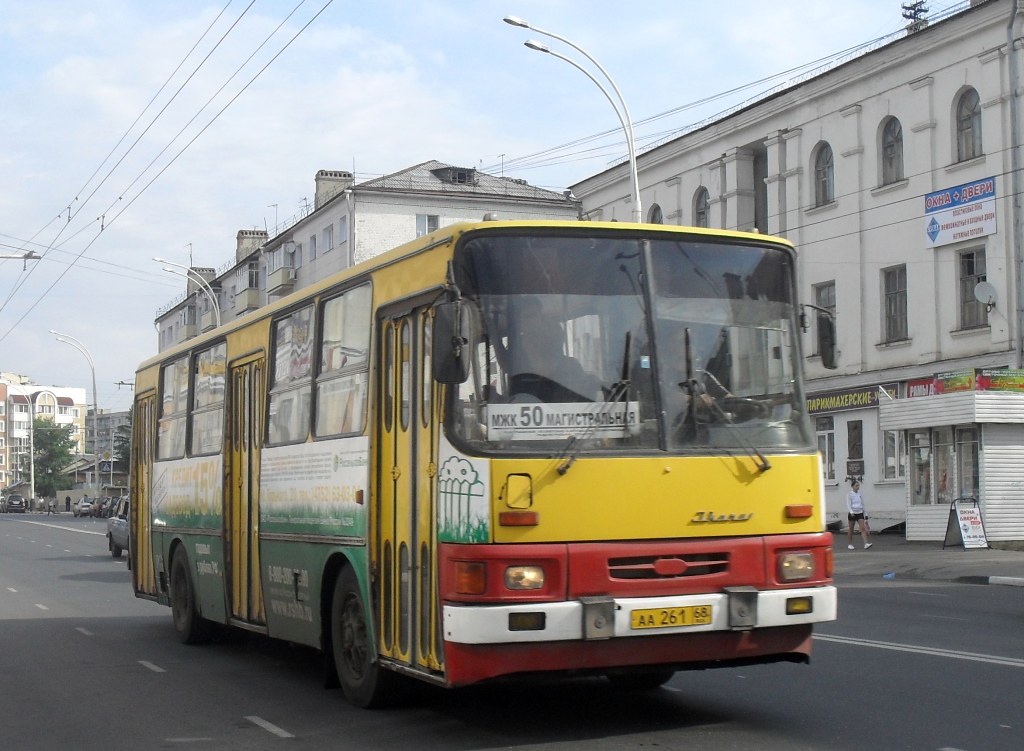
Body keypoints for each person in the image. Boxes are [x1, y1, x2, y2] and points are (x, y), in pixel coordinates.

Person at [847, 480, 872, 550]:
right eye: (856, 485)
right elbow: (848, 504)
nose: (858, 487)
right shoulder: (850, 494)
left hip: (860, 512)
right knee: (851, 529)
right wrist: (851, 512)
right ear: (852, 486)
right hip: (853, 514)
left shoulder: (859, 494)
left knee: (863, 528)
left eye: (858, 485)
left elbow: (862, 504)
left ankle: (866, 543)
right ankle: (850, 544)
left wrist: (865, 513)